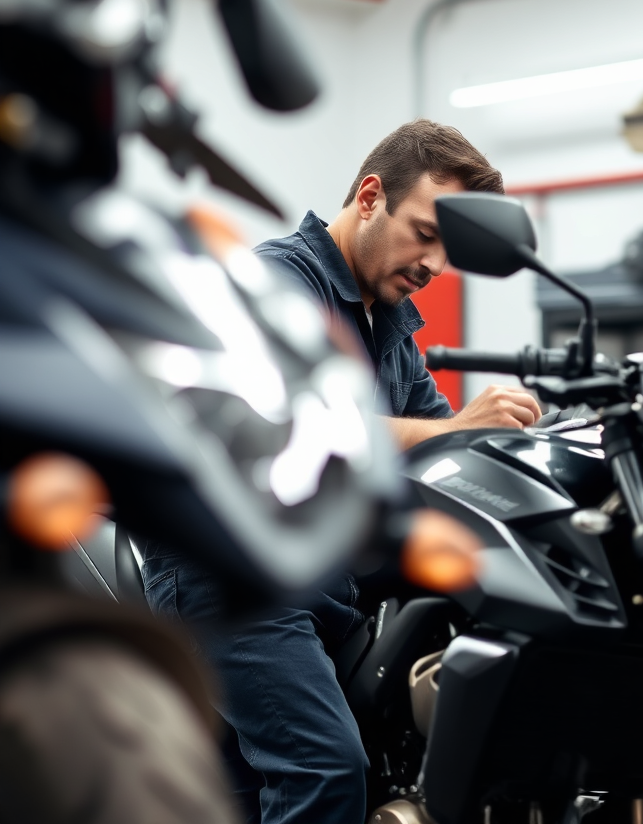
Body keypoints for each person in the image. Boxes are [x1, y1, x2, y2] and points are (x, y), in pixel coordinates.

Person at [141, 120, 542, 824]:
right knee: (326, 766)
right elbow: (292, 423)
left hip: (324, 574)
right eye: (424, 233)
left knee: (248, 791)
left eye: (447, 249)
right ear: (369, 197)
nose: (434, 263)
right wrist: (454, 428)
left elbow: (439, 453)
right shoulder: (276, 283)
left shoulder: (390, 325)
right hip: (238, 577)